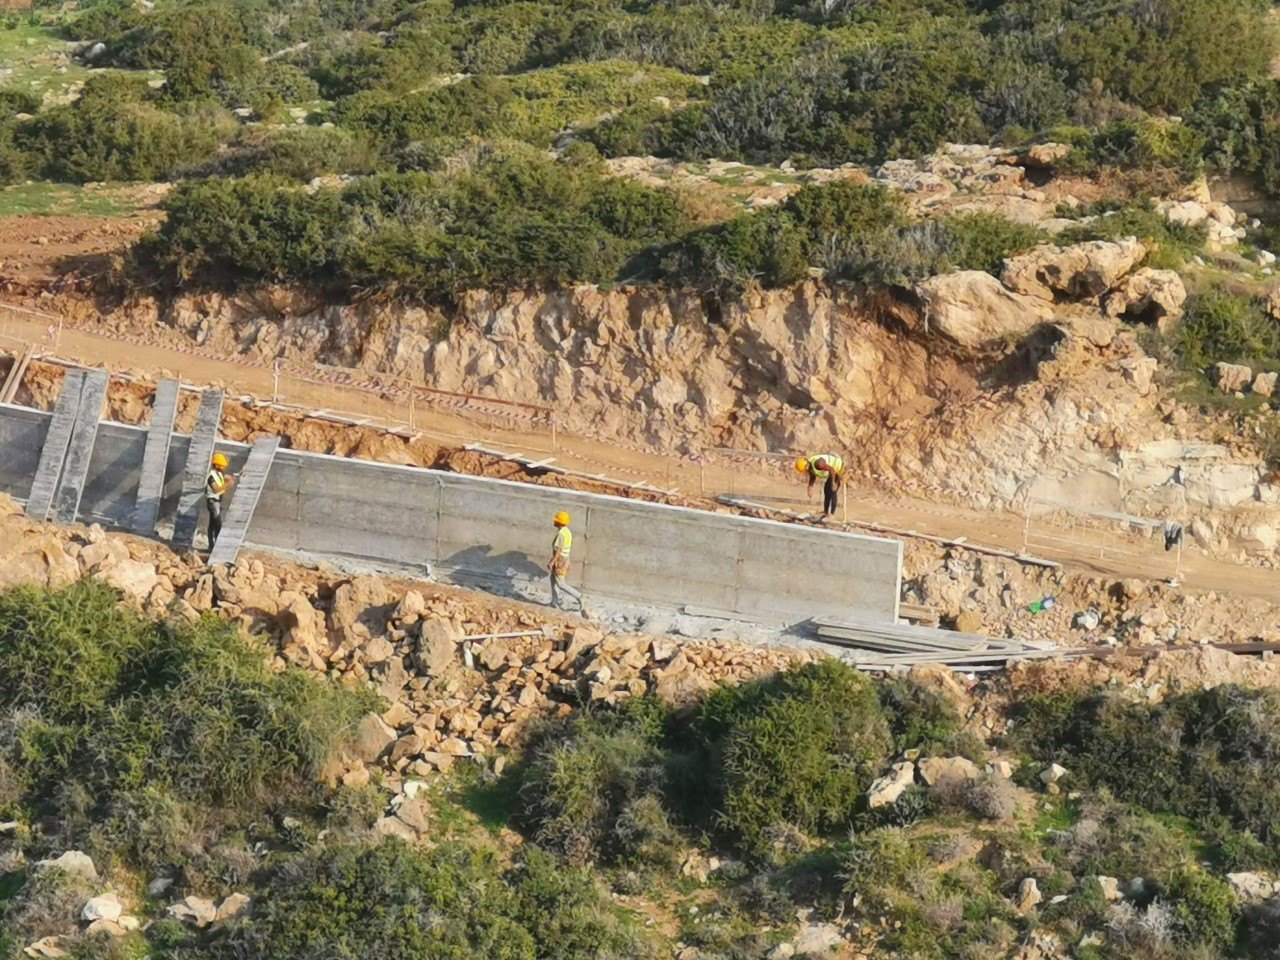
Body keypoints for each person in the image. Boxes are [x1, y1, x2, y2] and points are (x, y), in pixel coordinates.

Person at [548, 510, 585, 612]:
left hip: (560, 561)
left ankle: (580, 597)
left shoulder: (561, 534)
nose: (554, 522)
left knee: (561, 584)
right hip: (564, 560)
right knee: (553, 580)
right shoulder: (567, 531)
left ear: (559, 523)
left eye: (555, 520)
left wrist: (552, 562)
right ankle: (555, 603)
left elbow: (558, 551)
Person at [205, 452, 235, 550]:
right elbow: (216, 489)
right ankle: (215, 546)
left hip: (217, 502)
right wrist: (227, 485)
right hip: (212, 502)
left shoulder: (219, 473)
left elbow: (225, 477)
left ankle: (212, 545)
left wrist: (231, 479)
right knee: (217, 523)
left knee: (213, 525)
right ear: (217, 465)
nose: (224, 468)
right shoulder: (211, 477)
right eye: (222, 466)